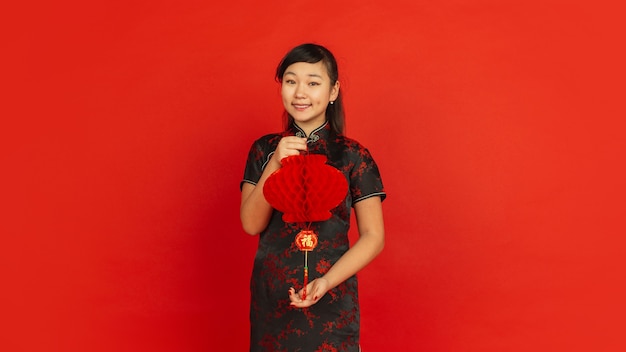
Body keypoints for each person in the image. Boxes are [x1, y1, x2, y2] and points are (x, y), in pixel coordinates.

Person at [240, 43, 386, 352]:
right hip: (273, 299)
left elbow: (374, 236)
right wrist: (275, 163)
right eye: (291, 81)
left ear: (333, 91)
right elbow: (251, 224)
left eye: (313, 82)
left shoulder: (353, 155)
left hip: (331, 299)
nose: (300, 92)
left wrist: (327, 282)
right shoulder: (264, 149)